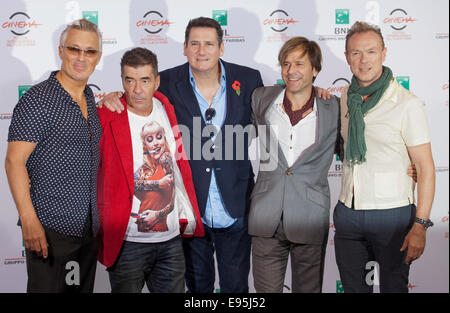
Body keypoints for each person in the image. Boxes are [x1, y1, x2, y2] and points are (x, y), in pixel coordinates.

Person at [99, 17, 263, 293]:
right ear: (184, 48)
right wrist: (111, 97)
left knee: (236, 289)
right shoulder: (166, 82)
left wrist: (317, 92)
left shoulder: (249, 79)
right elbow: (138, 93)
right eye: (195, 44)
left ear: (222, 48)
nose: (202, 51)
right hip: (189, 211)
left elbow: (281, 103)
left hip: (235, 206)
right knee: (198, 289)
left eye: (209, 44)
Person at [334, 21, 435, 293]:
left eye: (371, 51)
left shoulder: (406, 103)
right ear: (347, 57)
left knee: (393, 288)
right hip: (348, 213)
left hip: (393, 216)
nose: (363, 60)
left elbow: (425, 168)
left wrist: (421, 225)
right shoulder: (345, 97)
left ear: (384, 53)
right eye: (356, 53)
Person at [5, 19, 102, 292]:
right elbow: (14, 162)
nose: (81, 57)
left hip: (87, 228)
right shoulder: (38, 99)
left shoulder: (90, 99)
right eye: (74, 49)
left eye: (89, 51)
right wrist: (29, 220)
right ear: (61, 51)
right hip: (49, 229)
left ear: (98, 57)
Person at [97, 47, 204, 293]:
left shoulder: (167, 107)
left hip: (171, 242)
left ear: (156, 81)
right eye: (129, 80)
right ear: (122, 80)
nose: (136, 90)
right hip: (128, 242)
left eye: (145, 80)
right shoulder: (107, 114)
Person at [249, 37, 343, 293]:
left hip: (310, 218)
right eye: (286, 64)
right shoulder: (261, 99)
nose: (291, 71)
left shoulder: (333, 108)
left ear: (315, 69)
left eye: (300, 64)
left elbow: (350, 155)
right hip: (265, 217)